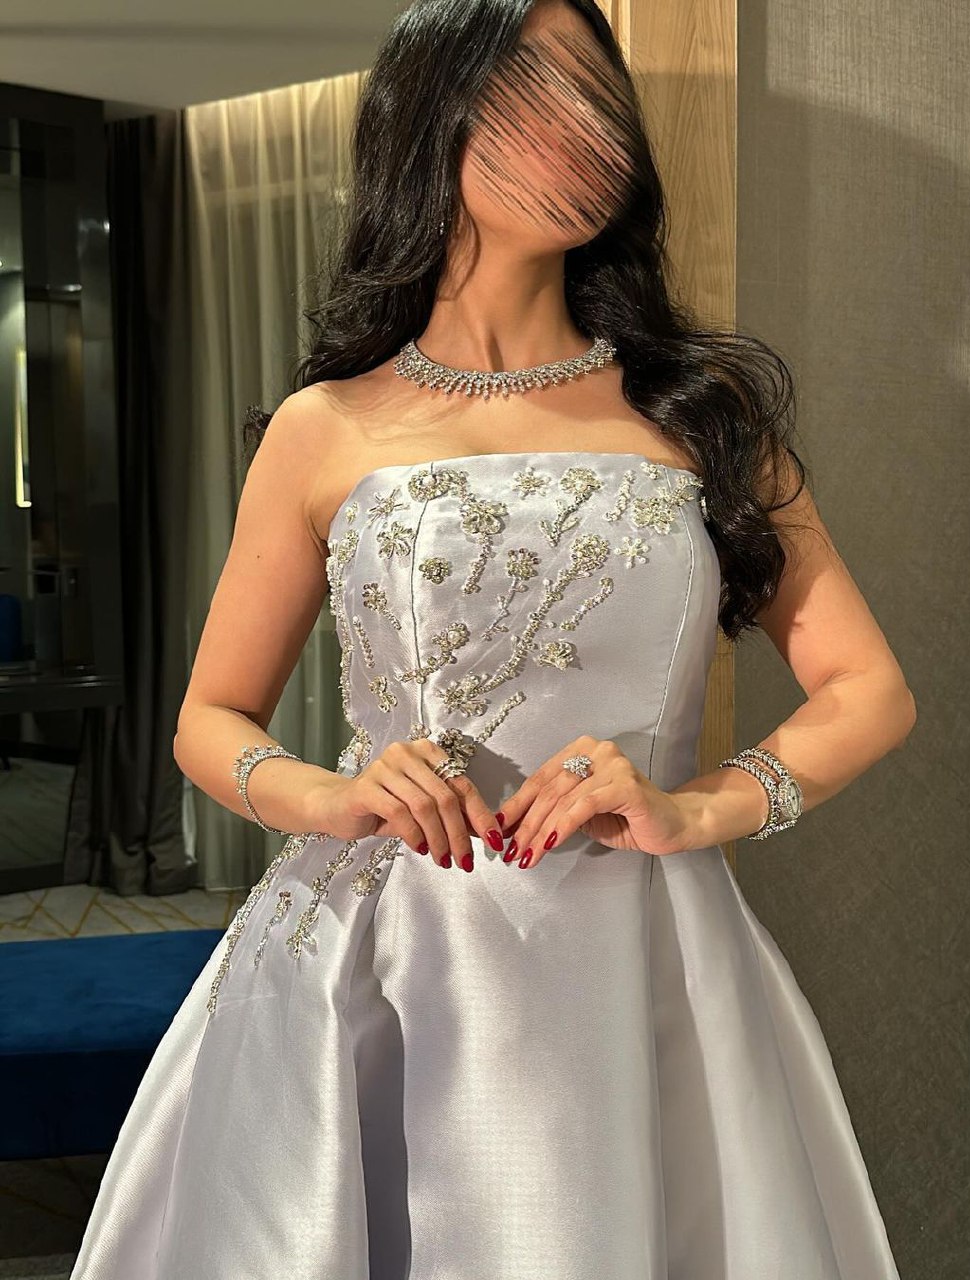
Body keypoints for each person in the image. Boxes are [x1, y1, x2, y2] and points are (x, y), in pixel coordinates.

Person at [70, 0, 915, 1276]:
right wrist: (333, 794)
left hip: (639, 953)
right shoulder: (325, 425)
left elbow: (867, 686)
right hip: (376, 953)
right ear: (430, 118)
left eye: (596, 95)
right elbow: (208, 718)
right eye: (530, 92)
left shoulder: (701, 410)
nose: (582, 128)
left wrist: (699, 807)